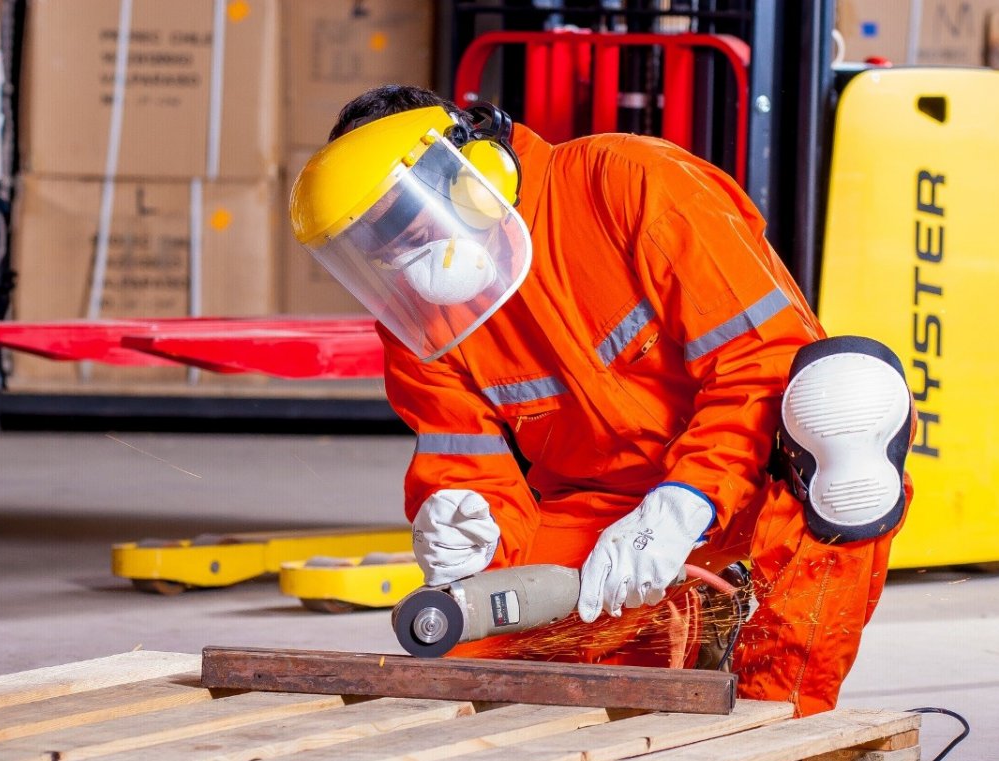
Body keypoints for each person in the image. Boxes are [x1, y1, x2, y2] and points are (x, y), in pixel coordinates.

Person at [288, 84, 914, 719]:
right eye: (372, 241)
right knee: (469, 645)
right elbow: (466, 463)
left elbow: (762, 365)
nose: (397, 253)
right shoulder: (420, 322)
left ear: (472, 168)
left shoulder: (631, 182)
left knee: (846, 412)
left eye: (402, 218)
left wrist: (684, 503)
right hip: (605, 511)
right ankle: (694, 622)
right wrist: (464, 527)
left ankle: (777, 726)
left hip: (753, 474)